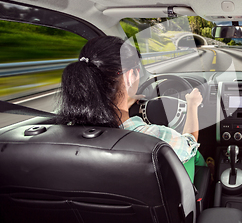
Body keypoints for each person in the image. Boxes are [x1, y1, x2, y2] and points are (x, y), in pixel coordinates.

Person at [57, 36, 204, 182]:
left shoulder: (60, 137)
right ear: (129, 77)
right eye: (137, 70)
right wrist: (192, 105)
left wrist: (124, 103)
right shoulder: (157, 141)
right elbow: (189, 143)